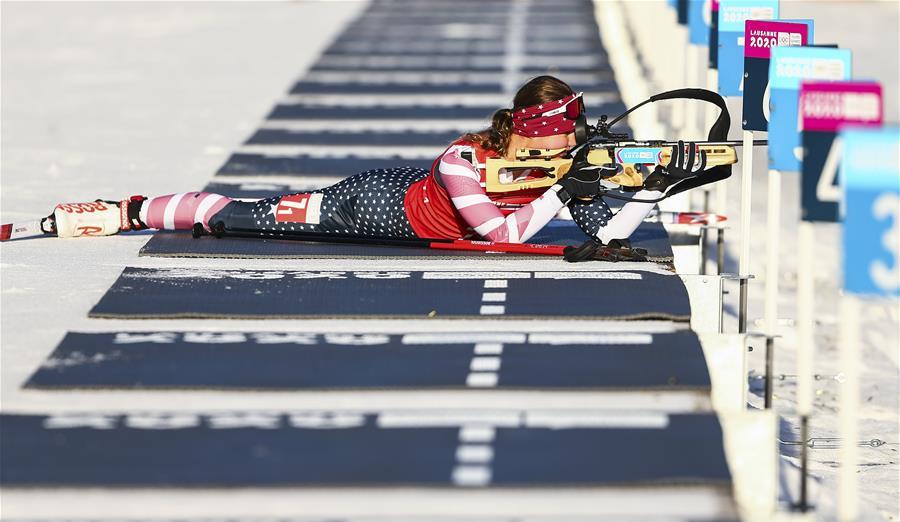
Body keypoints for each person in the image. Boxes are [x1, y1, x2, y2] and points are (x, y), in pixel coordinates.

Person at [52, 76, 704, 244]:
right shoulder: (463, 160)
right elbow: (497, 233)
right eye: (565, 136)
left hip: (411, 204)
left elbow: (609, 235)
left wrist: (654, 188)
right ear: (532, 133)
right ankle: (131, 211)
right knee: (242, 216)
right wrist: (562, 196)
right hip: (375, 205)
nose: (574, 145)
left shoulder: (565, 165)